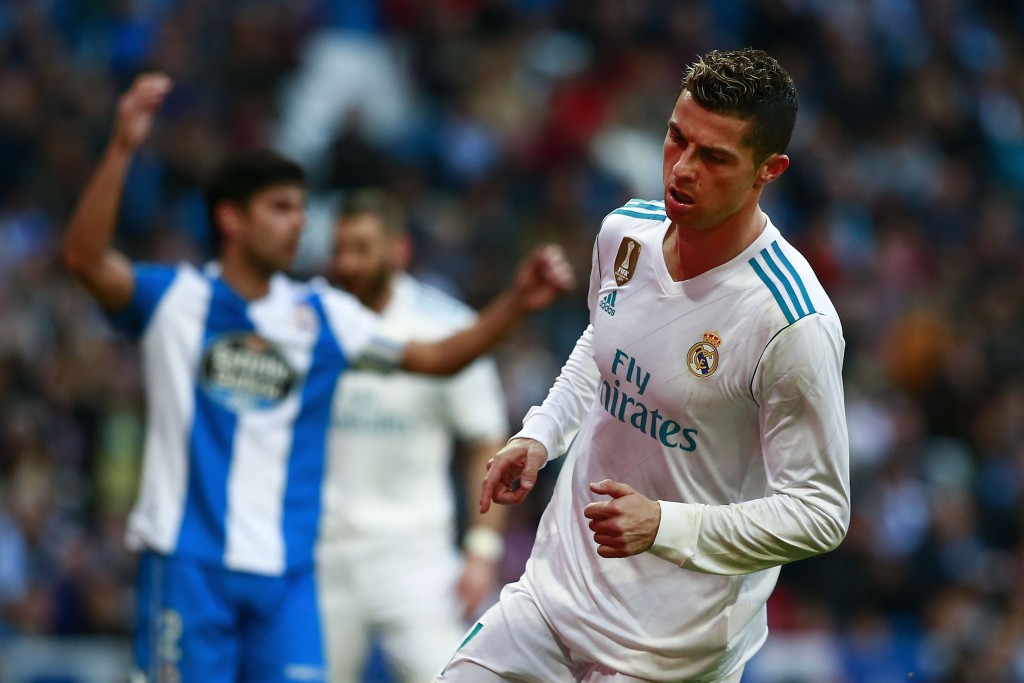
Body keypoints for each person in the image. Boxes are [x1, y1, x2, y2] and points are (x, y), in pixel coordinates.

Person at [61, 73, 573, 683]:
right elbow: (86, 262)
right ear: (230, 218)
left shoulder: (320, 316)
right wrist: (121, 148)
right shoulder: (176, 299)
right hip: (188, 565)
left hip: (289, 578)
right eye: (280, 209)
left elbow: (439, 358)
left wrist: (514, 304)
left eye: (302, 210)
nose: (298, 224)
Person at [438, 48, 850, 683]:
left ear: (769, 170)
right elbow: (606, 343)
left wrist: (666, 524)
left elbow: (821, 512)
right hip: (551, 598)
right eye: (676, 139)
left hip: (668, 654)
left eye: (714, 157)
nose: (682, 170)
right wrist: (542, 431)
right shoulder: (624, 232)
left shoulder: (792, 323)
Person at [317, 189, 510, 683]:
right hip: (321, 554)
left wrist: (481, 550)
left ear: (398, 252)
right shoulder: (307, 322)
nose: (346, 262)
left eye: (361, 248)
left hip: (415, 556)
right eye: (339, 249)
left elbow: (486, 442)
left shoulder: (447, 327)